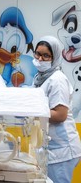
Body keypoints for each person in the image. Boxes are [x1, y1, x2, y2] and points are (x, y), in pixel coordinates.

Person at [32, 35, 81, 183]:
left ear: (55, 57)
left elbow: (60, 115)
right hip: (50, 148)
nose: (40, 59)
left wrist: (31, 112)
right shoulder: (40, 77)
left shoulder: (57, 79)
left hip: (62, 150)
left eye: (46, 56)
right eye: (38, 54)